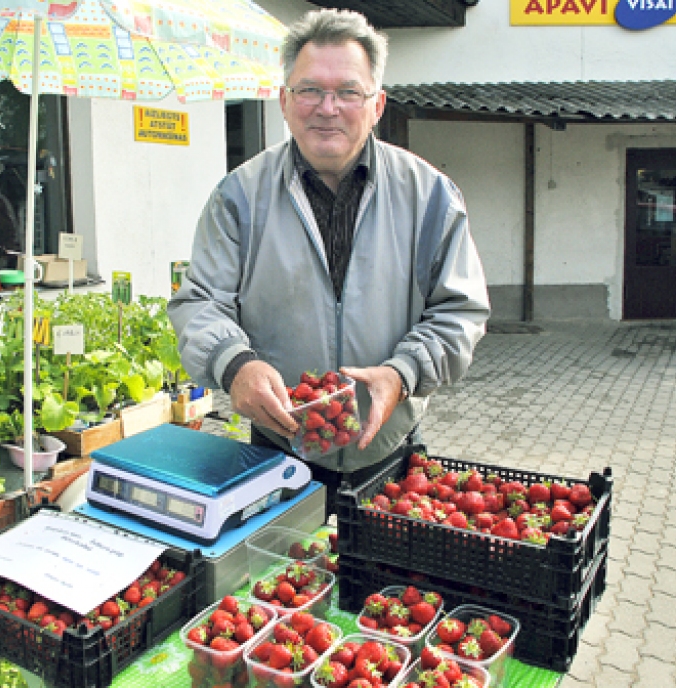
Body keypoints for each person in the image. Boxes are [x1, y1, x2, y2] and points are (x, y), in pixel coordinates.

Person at [168, 8, 490, 518]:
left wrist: (402, 373)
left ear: (377, 104)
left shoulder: (430, 195)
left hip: (390, 450)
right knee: (278, 585)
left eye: (348, 92)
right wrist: (235, 366)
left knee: (381, 586)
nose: (327, 108)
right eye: (309, 90)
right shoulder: (239, 196)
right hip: (278, 447)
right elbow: (201, 302)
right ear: (283, 101)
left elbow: (461, 313)